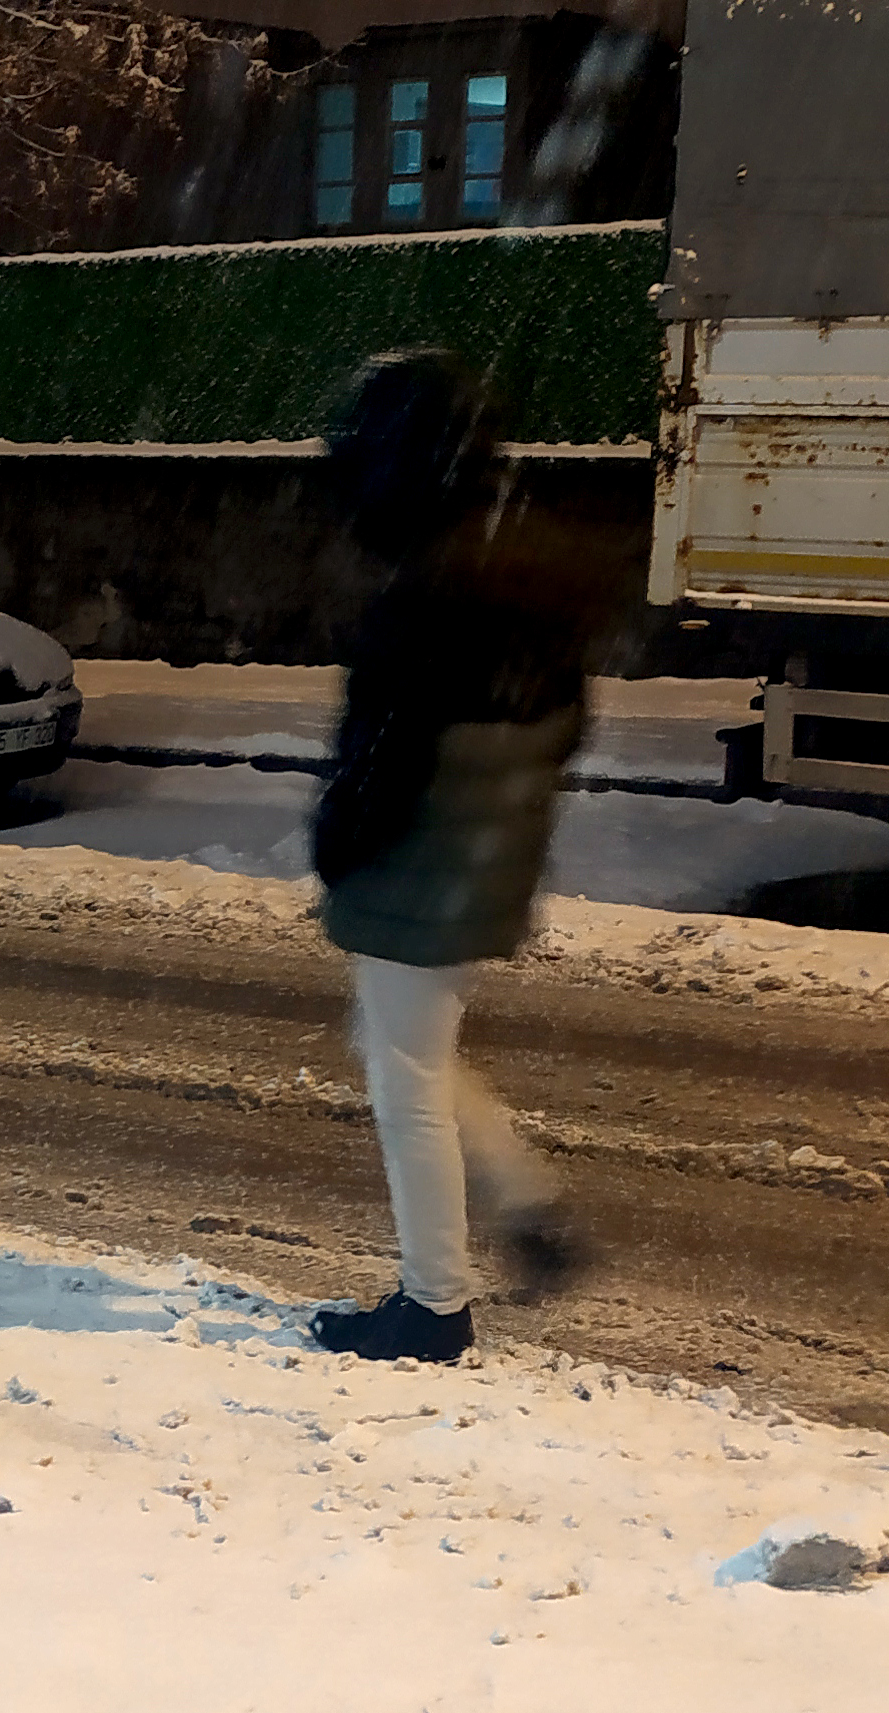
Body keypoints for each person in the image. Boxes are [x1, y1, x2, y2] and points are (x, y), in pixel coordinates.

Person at [305, 351, 600, 1363]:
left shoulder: (415, 601)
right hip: (487, 859)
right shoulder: (532, 574)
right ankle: (529, 1200)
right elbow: (567, 727)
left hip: (414, 869)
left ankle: (431, 1304)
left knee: (402, 1075)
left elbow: (374, 770)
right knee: (405, 1043)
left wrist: (334, 851)